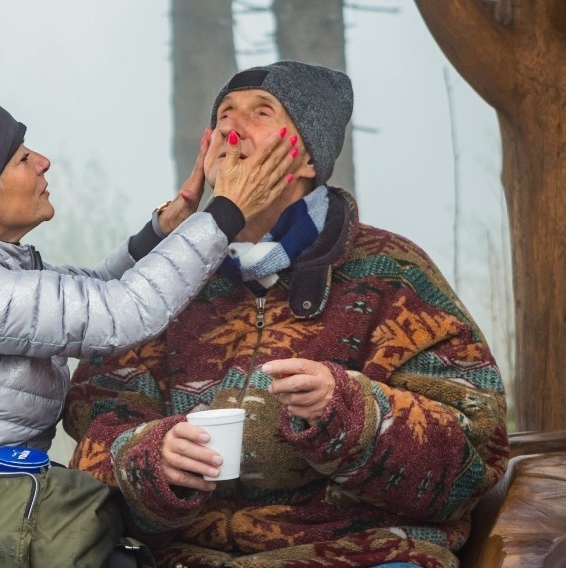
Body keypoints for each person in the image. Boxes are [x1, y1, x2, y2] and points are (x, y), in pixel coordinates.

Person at [0, 83, 302, 567]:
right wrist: (226, 212)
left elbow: (90, 287)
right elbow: (122, 312)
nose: (43, 161)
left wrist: (164, 227)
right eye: (20, 158)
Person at [64, 61, 510, 568]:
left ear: (307, 159)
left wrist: (354, 415)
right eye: (224, 114)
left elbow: (474, 462)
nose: (232, 127)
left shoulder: (393, 275)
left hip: (363, 557)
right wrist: (152, 459)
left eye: (260, 113)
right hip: (189, 558)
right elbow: (94, 436)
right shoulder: (167, 280)